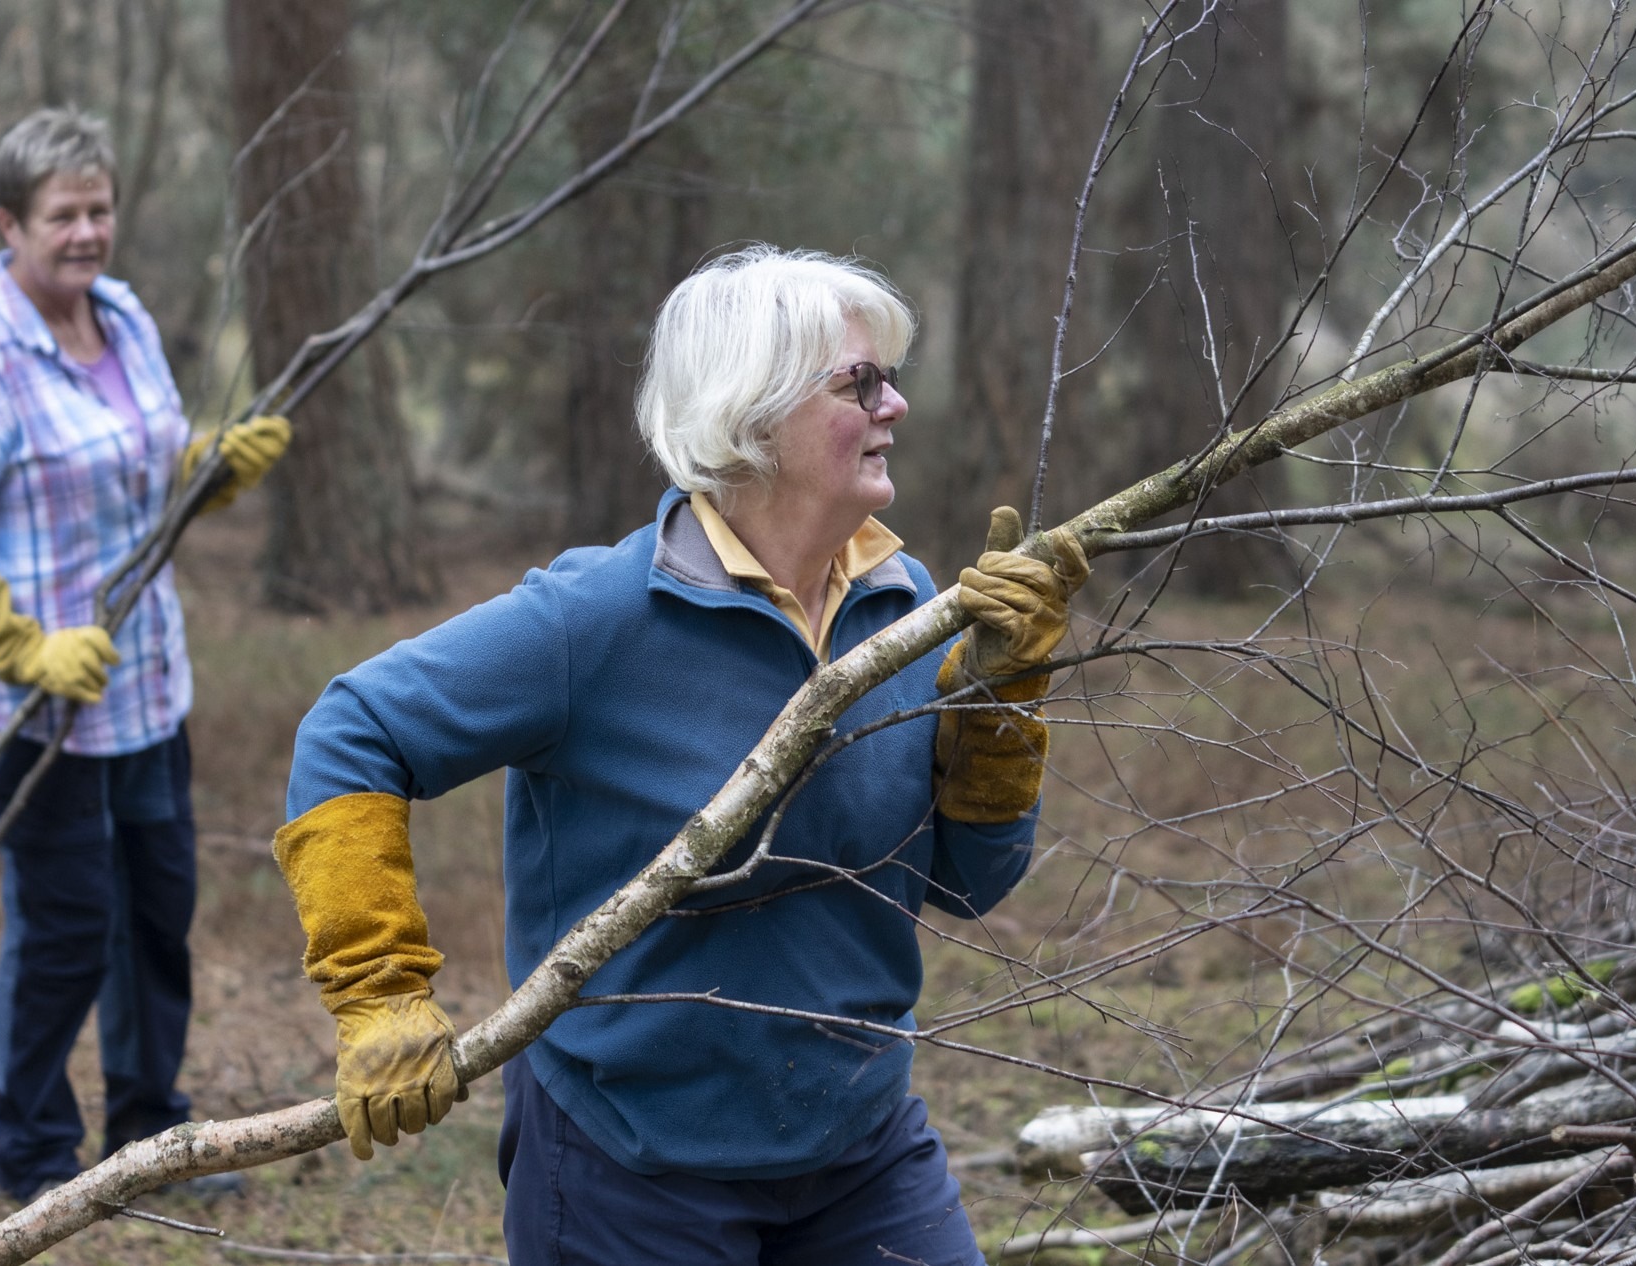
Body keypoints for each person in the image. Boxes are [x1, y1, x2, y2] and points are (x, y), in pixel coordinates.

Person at [273, 244, 1088, 1264]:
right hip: (630, 1166)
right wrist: (380, 991)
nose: (897, 407)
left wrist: (998, 701)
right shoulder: (596, 619)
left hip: (860, 1152)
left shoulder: (906, 607)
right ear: (755, 414)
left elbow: (969, 884)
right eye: (863, 381)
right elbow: (355, 729)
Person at [0, 107, 291, 1203]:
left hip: (148, 686)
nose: (86, 233)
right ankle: (29, 1154)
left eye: (99, 209)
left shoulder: (122, 318)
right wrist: (22, 647)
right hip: (41, 710)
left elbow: (146, 462)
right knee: (67, 931)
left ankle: (148, 1130)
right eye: (62, 214)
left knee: (157, 913)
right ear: (9, 225)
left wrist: (208, 466)